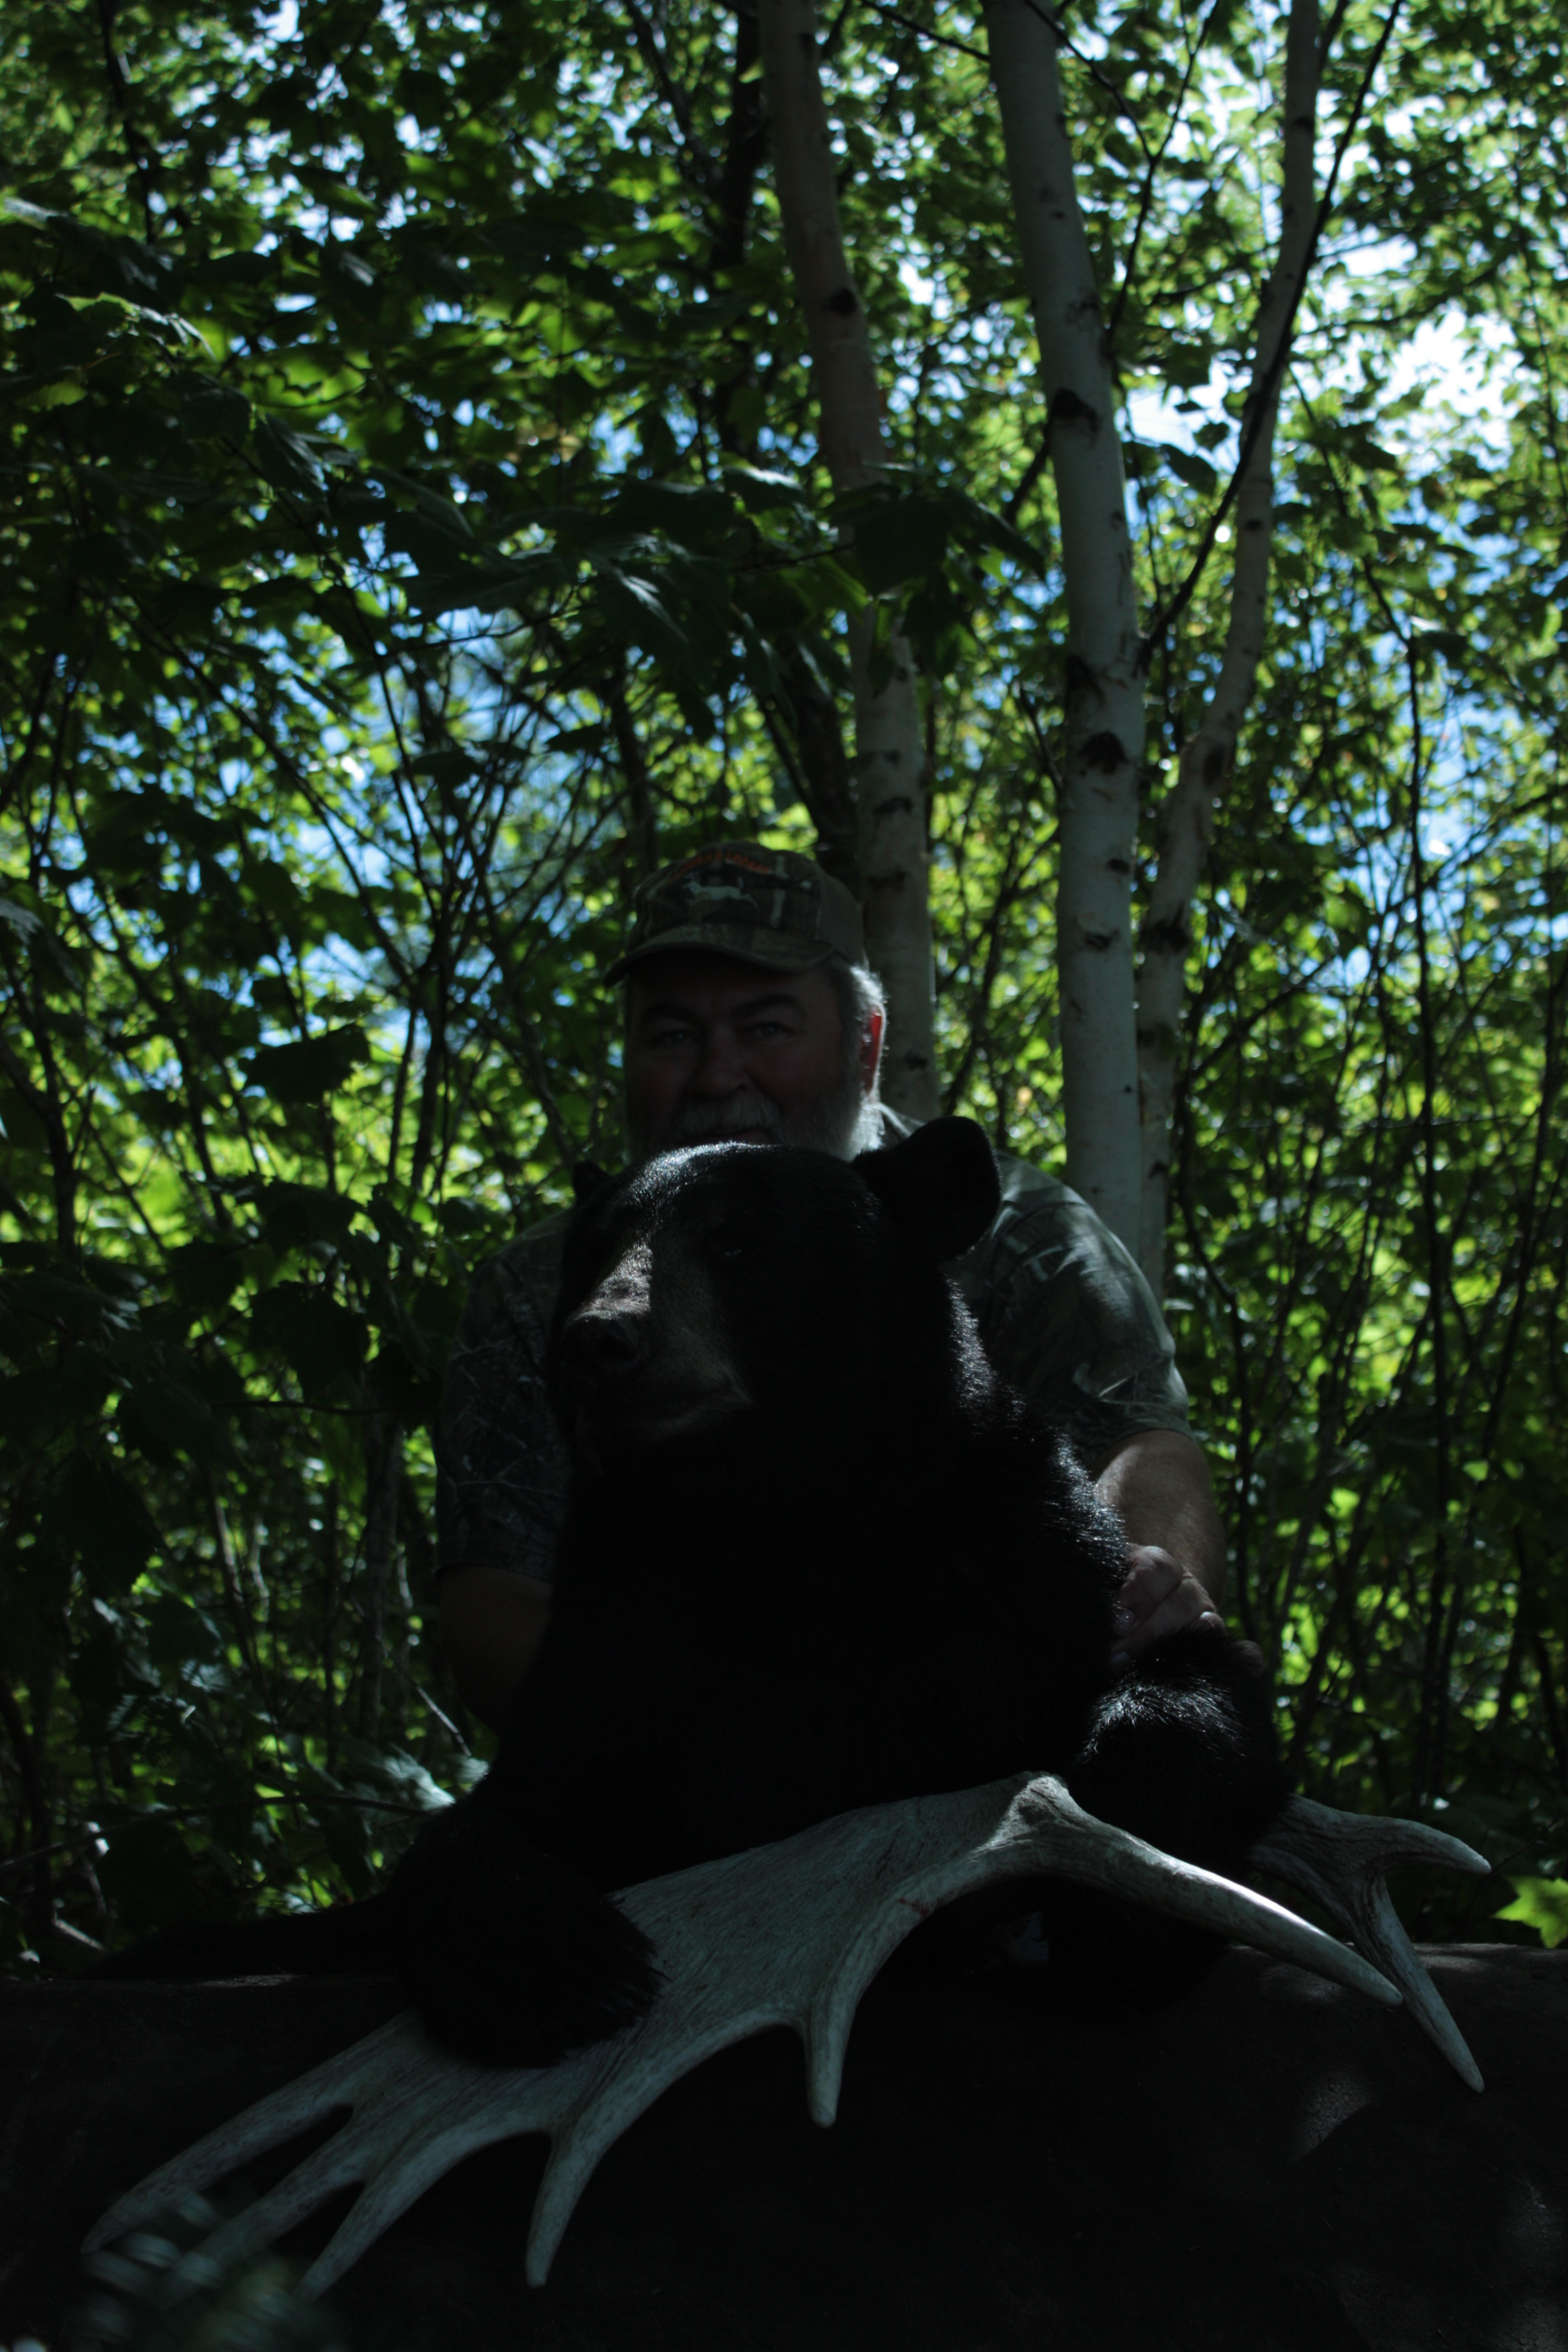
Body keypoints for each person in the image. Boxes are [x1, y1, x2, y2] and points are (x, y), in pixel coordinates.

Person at [436, 842, 1233, 1731]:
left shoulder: (1019, 1235)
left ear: (865, 1044)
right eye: (673, 1036)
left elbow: (1140, 1443)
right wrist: (702, 1741)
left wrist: (1134, 1597)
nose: (717, 1076)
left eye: (767, 1029)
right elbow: (492, 1588)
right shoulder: (545, 1283)